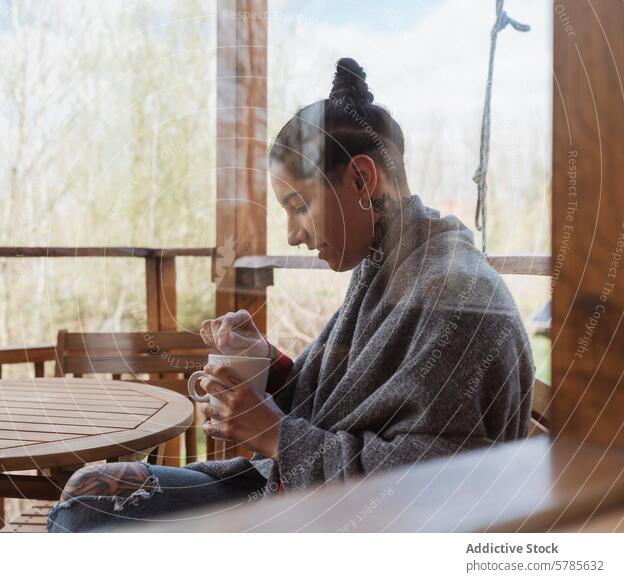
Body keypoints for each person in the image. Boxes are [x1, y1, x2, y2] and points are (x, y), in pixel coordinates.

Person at [47, 57, 534, 533]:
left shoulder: (459, 300)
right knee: (91, 495)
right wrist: (264, 363)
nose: (293, 235)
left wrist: (273, 434)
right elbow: (331, 401)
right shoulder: (385, 268)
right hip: (300, 499)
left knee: (83, 520)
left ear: (362, 179)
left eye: (299, 206)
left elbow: (434, 490)